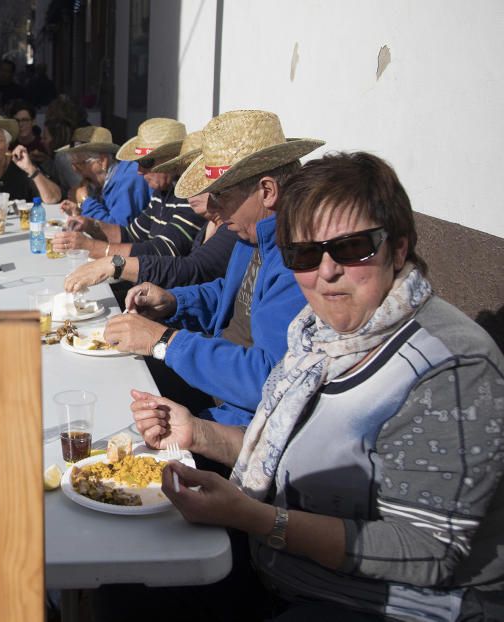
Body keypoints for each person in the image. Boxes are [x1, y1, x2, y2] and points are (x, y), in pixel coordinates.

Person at [130, 152, 504, 620]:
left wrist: (255, 519)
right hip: (285, 566)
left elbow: (428, 550)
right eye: (304, 255)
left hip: (388, 604)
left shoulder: (450, 367)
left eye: (351, 248)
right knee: (125, 580)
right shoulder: (318, 331)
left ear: (400, 248)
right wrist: (196, 434)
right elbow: (292, 450)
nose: (326, 271)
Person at [104, 110, 321, 426]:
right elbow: (229, 297)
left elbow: (270, 381)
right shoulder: (252, 235)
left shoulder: (301, 258)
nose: (212, 207)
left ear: (268, 190)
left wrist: (164, 341)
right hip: (213, 384)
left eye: (221, 194)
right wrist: (173, 302)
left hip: (240, 419)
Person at [53, 119, 205, 262]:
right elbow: (131, 234)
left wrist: (91, 246)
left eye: (145, 162)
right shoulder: (162, 192)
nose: (139, 171)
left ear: (172, 160)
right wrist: (90, 225)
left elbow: (163, 250)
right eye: (137, 162)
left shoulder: (191, 195)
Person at [57, 125, 151, 226]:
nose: (75, 170)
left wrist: (85, 201)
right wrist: (79, 210)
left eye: (80, 164)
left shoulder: (129, 179)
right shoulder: (106, 181)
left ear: (102, 161)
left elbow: (116, 231)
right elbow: (105, 215)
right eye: (73, 164)